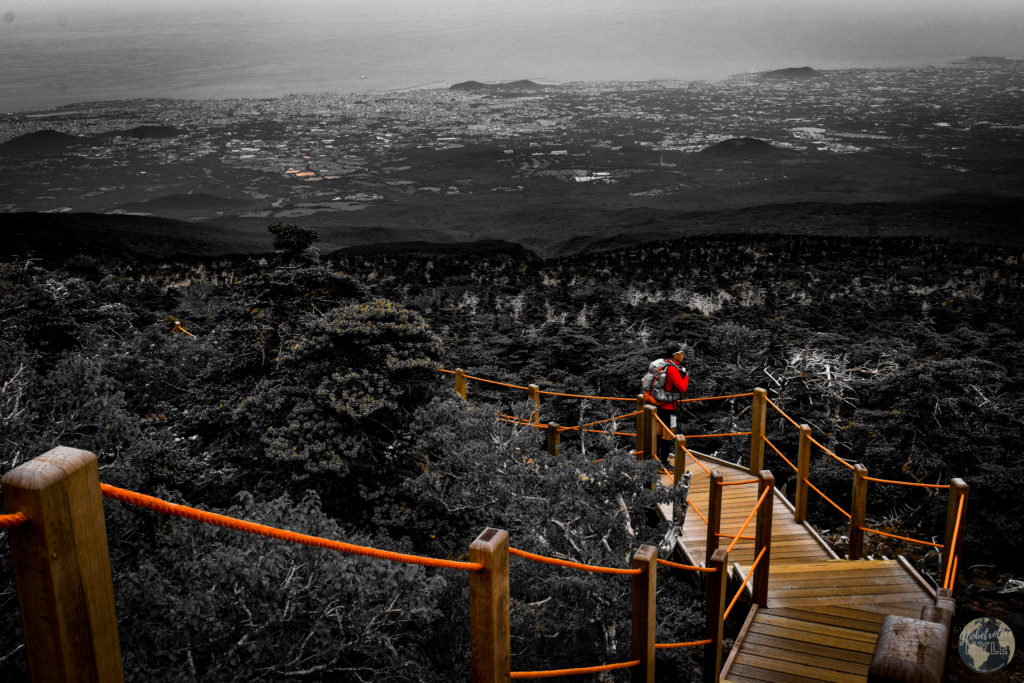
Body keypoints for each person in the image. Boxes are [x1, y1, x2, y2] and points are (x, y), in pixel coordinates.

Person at [655, 341, 689, 465]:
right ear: (675, 355)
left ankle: (657, 458)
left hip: (661, 405)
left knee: (659, 432)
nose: (683, 355)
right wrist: (685, 375)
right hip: (670, 408)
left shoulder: (664, 365)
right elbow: (683, 388)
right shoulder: (672, 369)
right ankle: (663, 462)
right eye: (681, 353)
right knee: (669, 433)